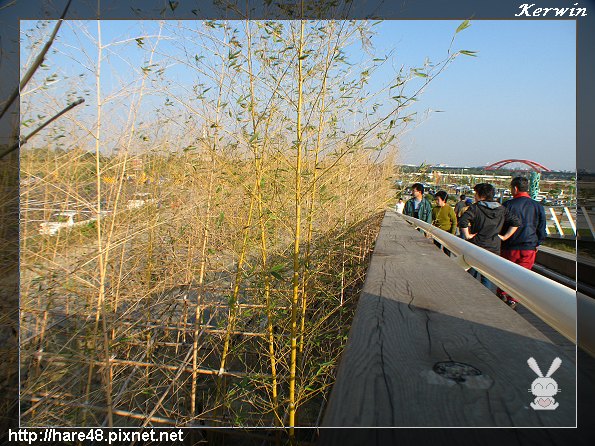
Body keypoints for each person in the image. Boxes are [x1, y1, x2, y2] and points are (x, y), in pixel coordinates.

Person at [458, 183, 522, 292]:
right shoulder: (501, 209)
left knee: (470, 276)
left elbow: (463, 221)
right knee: (487, 278)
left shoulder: (475, 207)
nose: (474, 196)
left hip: (476, 246)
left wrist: (468, 236)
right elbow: (516, 222)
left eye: (475, 193)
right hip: (494, 247)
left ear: (480, 195)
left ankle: (469, 296)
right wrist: (505, 237)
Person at [496, 176, 547, 310]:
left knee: (506, 273)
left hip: (510, 246)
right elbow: (541, 228)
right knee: (522, 277)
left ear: (515, 188)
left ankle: (502, 294)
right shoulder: (538, 206)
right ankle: (514, 300)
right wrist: (538, 243)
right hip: (529, 247)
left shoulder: (508, 205)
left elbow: (501, 225)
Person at [432, 191, 457, 255]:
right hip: (437, 233)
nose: (436, 201)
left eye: (438, 200)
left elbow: (454, 221)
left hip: (447, 233)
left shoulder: (449, 209)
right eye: (436, 200)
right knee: (436, 250)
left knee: (447, 251)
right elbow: (432, 220)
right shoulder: (434, 209)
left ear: (443, 200)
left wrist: (452, 234)